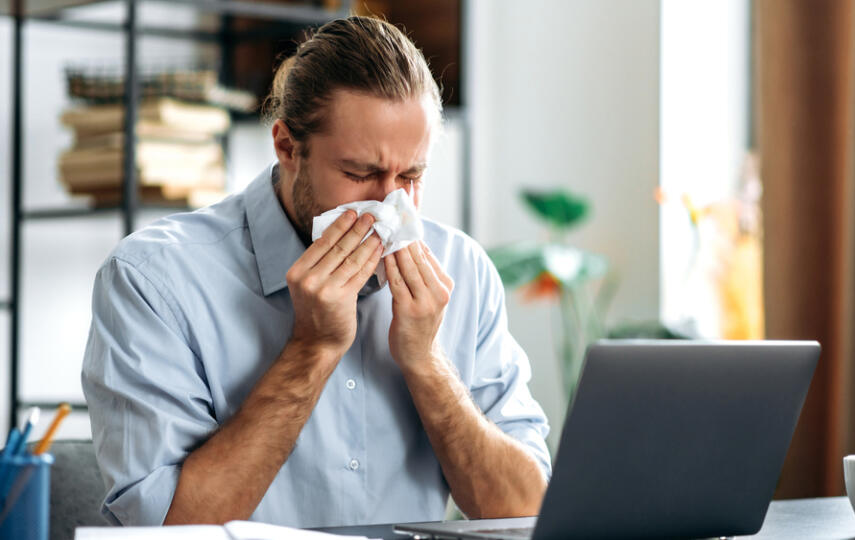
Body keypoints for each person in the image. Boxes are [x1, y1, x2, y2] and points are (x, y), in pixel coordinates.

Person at [81, 16, 550, 528]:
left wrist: (429, 365)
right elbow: (165, 530)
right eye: (359, 174)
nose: (391, 204)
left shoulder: (463, 269)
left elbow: (526, 513)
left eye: (411, 176)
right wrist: (312, 349)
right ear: (287, 148)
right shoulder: (154, 280)